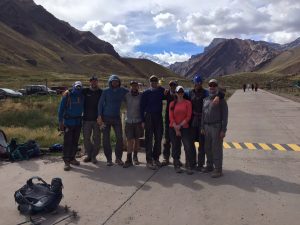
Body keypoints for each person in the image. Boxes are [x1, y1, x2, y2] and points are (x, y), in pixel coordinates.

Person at [186, 75, 224, 171]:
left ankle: (200, 164)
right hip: (194, 120)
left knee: (202, 144)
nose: (197, 84)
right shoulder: (190, 92)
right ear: (193, 83)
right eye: (195, 83)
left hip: (203, 121)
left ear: (201, 83)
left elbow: (220, 92)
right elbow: (180, 94)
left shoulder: (206, 93)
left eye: (198, 83)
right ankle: (191, 163)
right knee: (191, 143)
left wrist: (219, 96)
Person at [97, 75, 128, 166]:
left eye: (117, 81)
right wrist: (99, 116)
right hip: (106, 118)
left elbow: (132, 92)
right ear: (110, 82)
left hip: (116, 118)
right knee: (106, 139)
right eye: (113, 81)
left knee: (119, 138)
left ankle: (118, 158)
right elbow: (100, 103)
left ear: (119, 82)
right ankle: (109, 159)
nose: (115, 83)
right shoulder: (105, 91)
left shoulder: (122, 90)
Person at [201, 79, 228, 178]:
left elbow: (225, 116)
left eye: (214, 85)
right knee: (207, 148)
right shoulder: (205, 99)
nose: (212, 87)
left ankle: (218, 169)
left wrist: (223, 130)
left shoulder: (221, 100)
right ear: (208, 87)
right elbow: (203, 115)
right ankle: (209, 165)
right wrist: (202, 127)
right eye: (210, 85)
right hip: (206, 127)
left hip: (216, 127)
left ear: (217, 87)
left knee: (216, 149)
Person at [58, 81, 84, 171]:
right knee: (67, 142)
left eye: (79, 87)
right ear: (73, 87)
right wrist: (60, 122)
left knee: (75, 142)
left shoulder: (82, 95)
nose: (78, 89)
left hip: (78, 123)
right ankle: (66, 161)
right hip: (68, 122)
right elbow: (60, 110)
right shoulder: (67, 95)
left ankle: (72, 158)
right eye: (77, 87)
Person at [140, 75, 165, 170]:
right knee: (149, 139)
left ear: (157, 82)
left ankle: (156, 158)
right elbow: (141, 107)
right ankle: (149, 160)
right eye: (152, 81)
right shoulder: (146, 93)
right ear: (149, 82)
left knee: (158, 138)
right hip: (149, 116)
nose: (153, 82)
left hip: (158, 116)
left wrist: (160, 86)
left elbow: (167, 93)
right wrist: (142, 120)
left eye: (155, 81)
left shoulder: (160, 91)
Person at [169, 86, 194, 175]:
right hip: (174, 128)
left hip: (184, 127)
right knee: (175, 146)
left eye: (181, 92)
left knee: (187, 146)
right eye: (178, 92)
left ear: (183, 93)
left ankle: (188, 165)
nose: (180, 94)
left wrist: (180, 126)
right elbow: (171, 117)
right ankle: (177, 164)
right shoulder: (172, 104)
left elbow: (188, 116)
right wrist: (176, 128)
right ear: (175, 93)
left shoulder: (188, 103)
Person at [82, 75, 102, 164]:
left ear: (97, 82)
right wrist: (67, 92)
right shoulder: (85, 91)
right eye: (92, 81)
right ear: (90, 82)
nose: (94, 82)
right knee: (86, 138)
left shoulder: (101, 92)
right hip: (86, 119)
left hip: (97, 119)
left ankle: (94, 156)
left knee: (97, 138)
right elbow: (75, 91)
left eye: (95, 81)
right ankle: (89, 155)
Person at [123, 81, 143, 168]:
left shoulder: (141, 96)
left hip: (138, 121)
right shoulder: (126, 95)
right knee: (129, 140)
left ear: (138, 87)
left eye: (136, 86)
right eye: (132, 86)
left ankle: (135, 157)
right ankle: (128, 159)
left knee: (137, 140)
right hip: (129, 121)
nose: (134, 87)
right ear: (130, 87)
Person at [162, 80, 178, 166]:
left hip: (177, 120)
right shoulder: (166, 93)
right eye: (171, 85)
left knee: (176, 141)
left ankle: (176, 158)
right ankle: (166, 158)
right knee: (167, 140)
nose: (172, 86)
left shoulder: (180, 93)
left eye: (174, 85)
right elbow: (159, 94)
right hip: (168, 119)